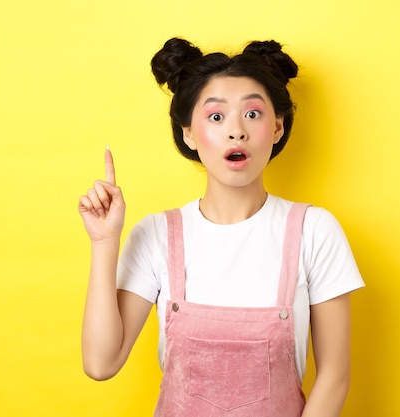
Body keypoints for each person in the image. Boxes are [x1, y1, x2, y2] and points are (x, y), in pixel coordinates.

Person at [78, 37, 364, 417]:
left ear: (278, 127)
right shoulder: (156, 235)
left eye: (253, 114)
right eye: (216, 117)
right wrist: (104, 241)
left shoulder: (314, 230)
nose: (236, 131)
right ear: (189, 134)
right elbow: (101, 363)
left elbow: (334, 377)